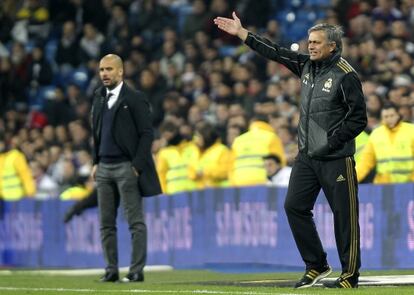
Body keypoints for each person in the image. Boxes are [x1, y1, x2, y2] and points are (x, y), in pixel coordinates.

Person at [214, 14, 367, 289]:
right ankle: (317, 264)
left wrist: (332, 142)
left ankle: (349, 276)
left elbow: (359, 119)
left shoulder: (346, 75)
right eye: (309, 41)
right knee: (294, 206)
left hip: (336, 159)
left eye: (316, 42)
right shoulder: (306, 66)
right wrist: (243, 34)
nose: (310, 46)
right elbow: (275, 52)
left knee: (345, 217)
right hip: (307, 157)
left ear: (332, 46)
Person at [91, 54, 161, 283]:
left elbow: (147, 133)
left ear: (121, 72)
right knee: (106, 223)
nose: (104, 74)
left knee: (135, 222)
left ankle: (136, 270)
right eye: (102, 69)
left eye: (109, 69)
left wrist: (137, 166)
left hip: (125, 167)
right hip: (104, 167)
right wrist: (95, 161)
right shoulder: (98, 98)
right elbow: (97, 133)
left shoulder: (134, 98)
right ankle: (111, 269)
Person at [356, 103, 414, 183]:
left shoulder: (411, 130)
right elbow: (365, 162)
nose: (389, 119)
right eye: (386, 116)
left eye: (392, 115)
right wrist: (352, 181)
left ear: (398, 115)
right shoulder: (376, 134)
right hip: (384, 185)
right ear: (382, 118)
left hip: (409, 183)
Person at [228, 115, 286, 186]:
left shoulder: (238, 140)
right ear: (268, 124)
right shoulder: (271, 137)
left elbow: (230, 166)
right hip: (262, 182)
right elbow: (279, 161)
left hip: (239, 182)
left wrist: (233, 183)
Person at [0, 133, 36, 201]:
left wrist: (30, 193)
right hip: (2, 200)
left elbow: (26, 175)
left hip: (16, 198)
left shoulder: (16, 156)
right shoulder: (1, 158)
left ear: (4, 143)